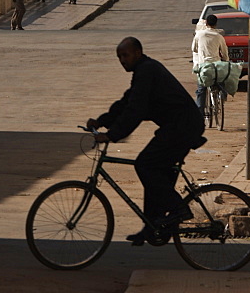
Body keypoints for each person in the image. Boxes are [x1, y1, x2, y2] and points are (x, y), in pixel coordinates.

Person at [87, 37, 205, 245]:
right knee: (154, 176)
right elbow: (127, 101)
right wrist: (102, 121)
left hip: (183, 127)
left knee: (145, 165)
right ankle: (152, 227)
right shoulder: (143, 72)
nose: (122, 60)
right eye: (119, 57)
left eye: (126, 55)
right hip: (177, 126)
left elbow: (136, 109)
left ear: (138, 53)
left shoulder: (147, 71)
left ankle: (179, 209)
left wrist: (112, 134)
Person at [192, 14, 229, 114]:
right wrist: (226, 61)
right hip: (216, 66)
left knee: (201, 91)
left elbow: (194, 49)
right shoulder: (219, 37)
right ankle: (222, 96)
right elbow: (225, 53)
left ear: (206, 23)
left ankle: (200, 114)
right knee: (221, 82)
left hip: (203, 67)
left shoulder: (199, 35)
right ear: (216, 24)